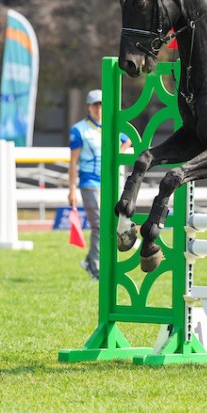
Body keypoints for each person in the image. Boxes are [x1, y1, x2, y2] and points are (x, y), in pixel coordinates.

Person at [68, 89, 130, 279]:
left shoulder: (112, 126)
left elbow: (127, 141)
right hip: (90, 182)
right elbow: (73, 161)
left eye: (102, 104)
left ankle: (89, 260)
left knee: (111, 223)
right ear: (88, 107)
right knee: (99, 225)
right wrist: (71, 189)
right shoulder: (79, 129)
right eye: (95, 104)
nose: (99, 108)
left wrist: (116, 153)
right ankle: (95, 268)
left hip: (111, 182)